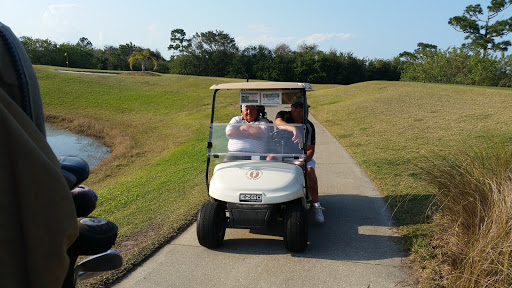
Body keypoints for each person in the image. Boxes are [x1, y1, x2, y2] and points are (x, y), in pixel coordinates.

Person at [275, 97, 324, 223]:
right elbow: (278, 123)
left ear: (305, 109)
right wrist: (293, 128)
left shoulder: (309, 126)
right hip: (281, 153)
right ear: (291, 107)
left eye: (301, 107)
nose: (297, 109)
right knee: (269, 160)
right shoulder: (284, 115)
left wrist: (302, 162)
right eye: (295, 106)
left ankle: (316, 205)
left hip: (300, 155)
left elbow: (310, 150)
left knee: (309, 171)